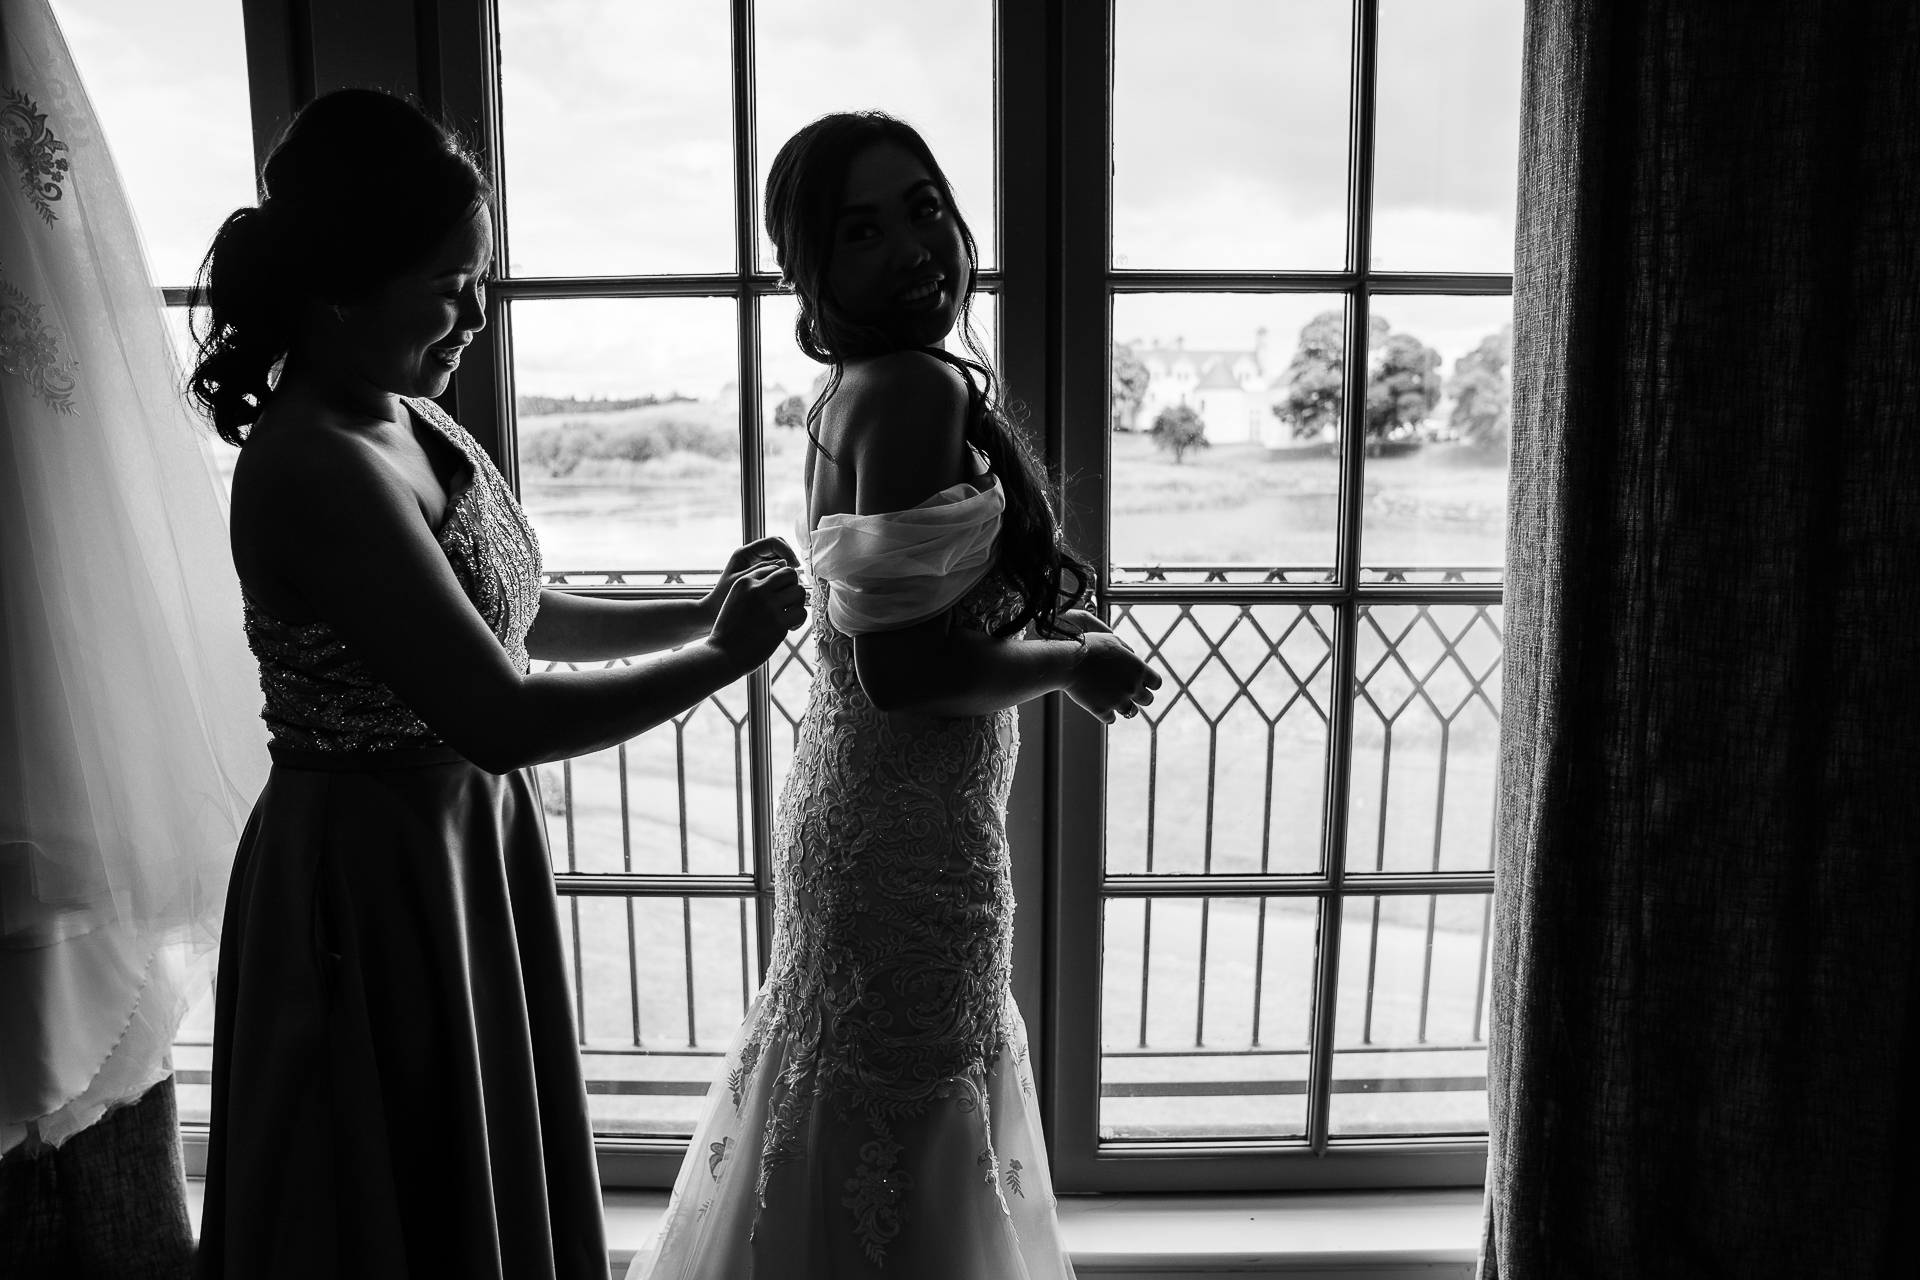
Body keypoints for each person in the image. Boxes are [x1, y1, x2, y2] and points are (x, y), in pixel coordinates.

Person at [190, 90, 805, 1278]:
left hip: (456, 844)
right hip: (372, 880)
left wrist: (697, 606)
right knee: (386, 1196)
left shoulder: (412, 416)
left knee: (467, 1177)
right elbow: (500, 711)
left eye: (483, 276)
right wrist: (720, 659)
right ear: (341, 280)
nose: (477, 310)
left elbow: (521, 613)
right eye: (448, 281)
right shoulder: (315, 463)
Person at [632, 112, 1159, 1280]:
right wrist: (1073, 664)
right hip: (906, 831)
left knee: (856, 1087)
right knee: (909, 1093)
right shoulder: (914, 387)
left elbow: (917, 617)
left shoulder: (855, 387)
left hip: (868, 807)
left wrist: (1033, 620)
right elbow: (906, 669)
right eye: (862, 229)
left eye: (923, 206)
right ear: (814, 268)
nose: (911, 245)